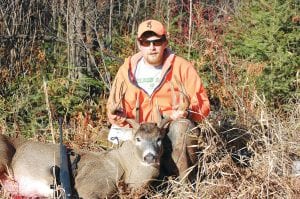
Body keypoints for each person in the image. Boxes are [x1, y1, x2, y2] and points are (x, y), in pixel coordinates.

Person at [106, 19, 210, 180]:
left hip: (167, 133)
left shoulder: (181, 67)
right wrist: (117, 116)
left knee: (182, 127)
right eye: (146, 42)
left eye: (157, 42)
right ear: (139, 44)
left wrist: (186, 112)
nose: (152, 47)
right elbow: (112, 109)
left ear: (165, 42)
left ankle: (186, 184)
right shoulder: (126, 71)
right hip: (138, 134)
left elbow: (203, 106)